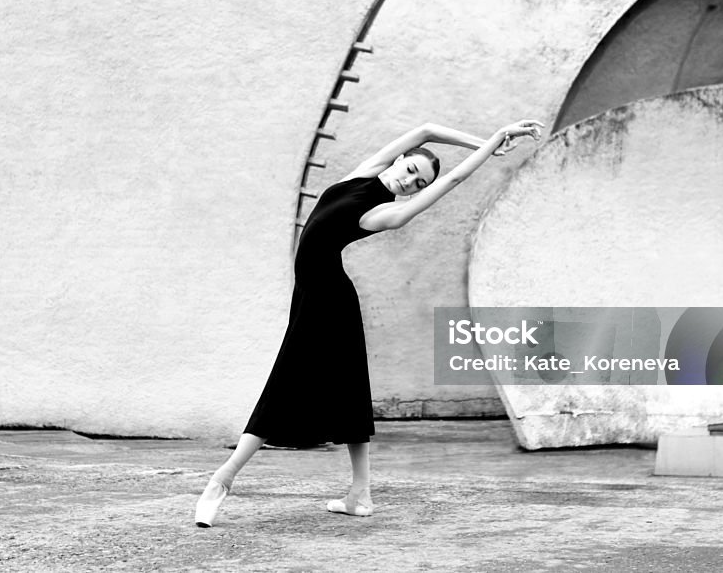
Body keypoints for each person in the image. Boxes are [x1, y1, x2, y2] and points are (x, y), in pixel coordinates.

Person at [195, 118, 544, 527]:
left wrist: (485, 154)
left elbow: (451, 180)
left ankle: (223, 479)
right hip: (312, 297)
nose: (409, 182)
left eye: (418, 184)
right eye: (411, 170)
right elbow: (426, 130)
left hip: (328, 303)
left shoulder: (382, 214)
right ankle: (360, 495)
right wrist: (494, 137)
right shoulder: (362, 175)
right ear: (398, 160)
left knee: (283, 386)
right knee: (347, 392)